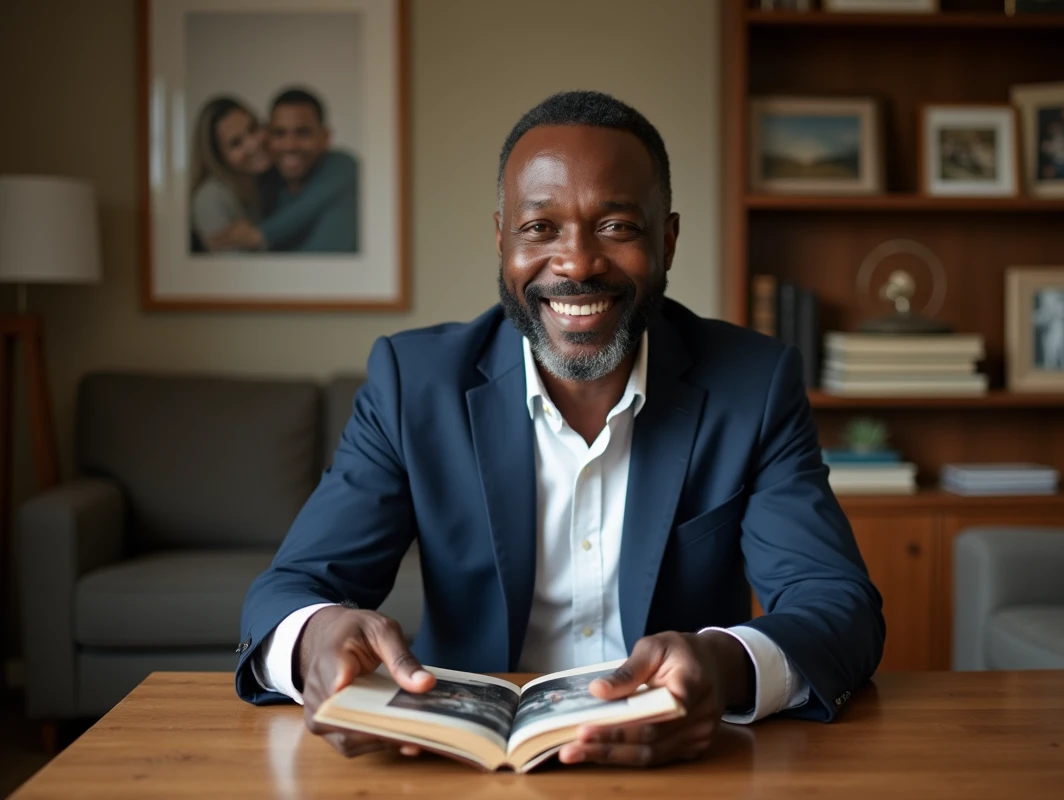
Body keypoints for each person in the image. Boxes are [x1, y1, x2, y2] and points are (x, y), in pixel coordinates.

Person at [236, 90, 884, 767]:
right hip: (458, 767)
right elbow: (288, 589)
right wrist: (317, 637)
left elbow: (837, 603)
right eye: (540, 228)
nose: (576, 264)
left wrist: (723, 666)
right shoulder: (413, 383)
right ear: (502, 240)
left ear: (666, 240)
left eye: (616, 227)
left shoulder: (752, 383)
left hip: (681, 769)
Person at [207, 88, 359, 253]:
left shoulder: (341, 170)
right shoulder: (262, 183)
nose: (290, 145)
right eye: (279, 133)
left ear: (325, 137)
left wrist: (261, 234)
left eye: (303, 133)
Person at [189, 96, 272, 250]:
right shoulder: (211, 197)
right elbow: (230, 269)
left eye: (253, 128)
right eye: (236, 143)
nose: (253, 144)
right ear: (218, 157)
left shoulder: (268, 180)